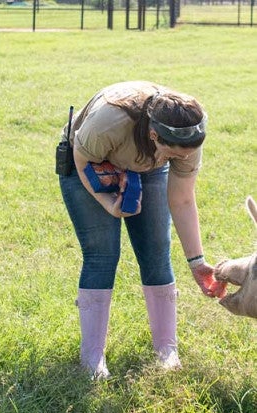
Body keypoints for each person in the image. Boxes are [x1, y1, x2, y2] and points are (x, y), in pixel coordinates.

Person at [57, 81, 226, 379]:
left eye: (186, 154)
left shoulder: (187, 136)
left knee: (157, 253)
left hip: (148, 164)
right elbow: (82, 160)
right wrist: (109, 204)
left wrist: (197, 262)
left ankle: (166, 350)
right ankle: (92, 358)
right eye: (176, 154)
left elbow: (183, 198)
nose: (183, 159)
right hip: (88, 161)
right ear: (153, 135)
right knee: (102, 254)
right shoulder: (110, 119)